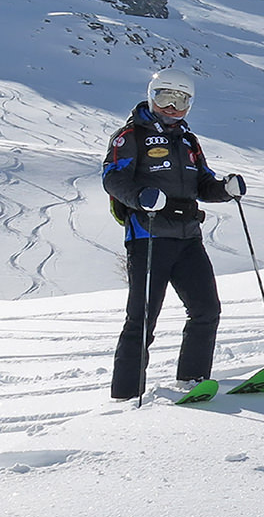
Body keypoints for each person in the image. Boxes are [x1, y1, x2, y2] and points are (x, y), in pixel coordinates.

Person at [103, 67, 247, 400]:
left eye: (181, 100)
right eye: (165, 97)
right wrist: (140, 197)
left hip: (188, 238)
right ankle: (126, 395)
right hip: (148, 237)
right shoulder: (130, 137)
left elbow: (203, 184)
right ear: (152, 97)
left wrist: (226, 189)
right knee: (141, 320)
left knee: (206, 309)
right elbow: (113, 178)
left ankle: (193, 380)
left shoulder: (188, 141)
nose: (172, 107)